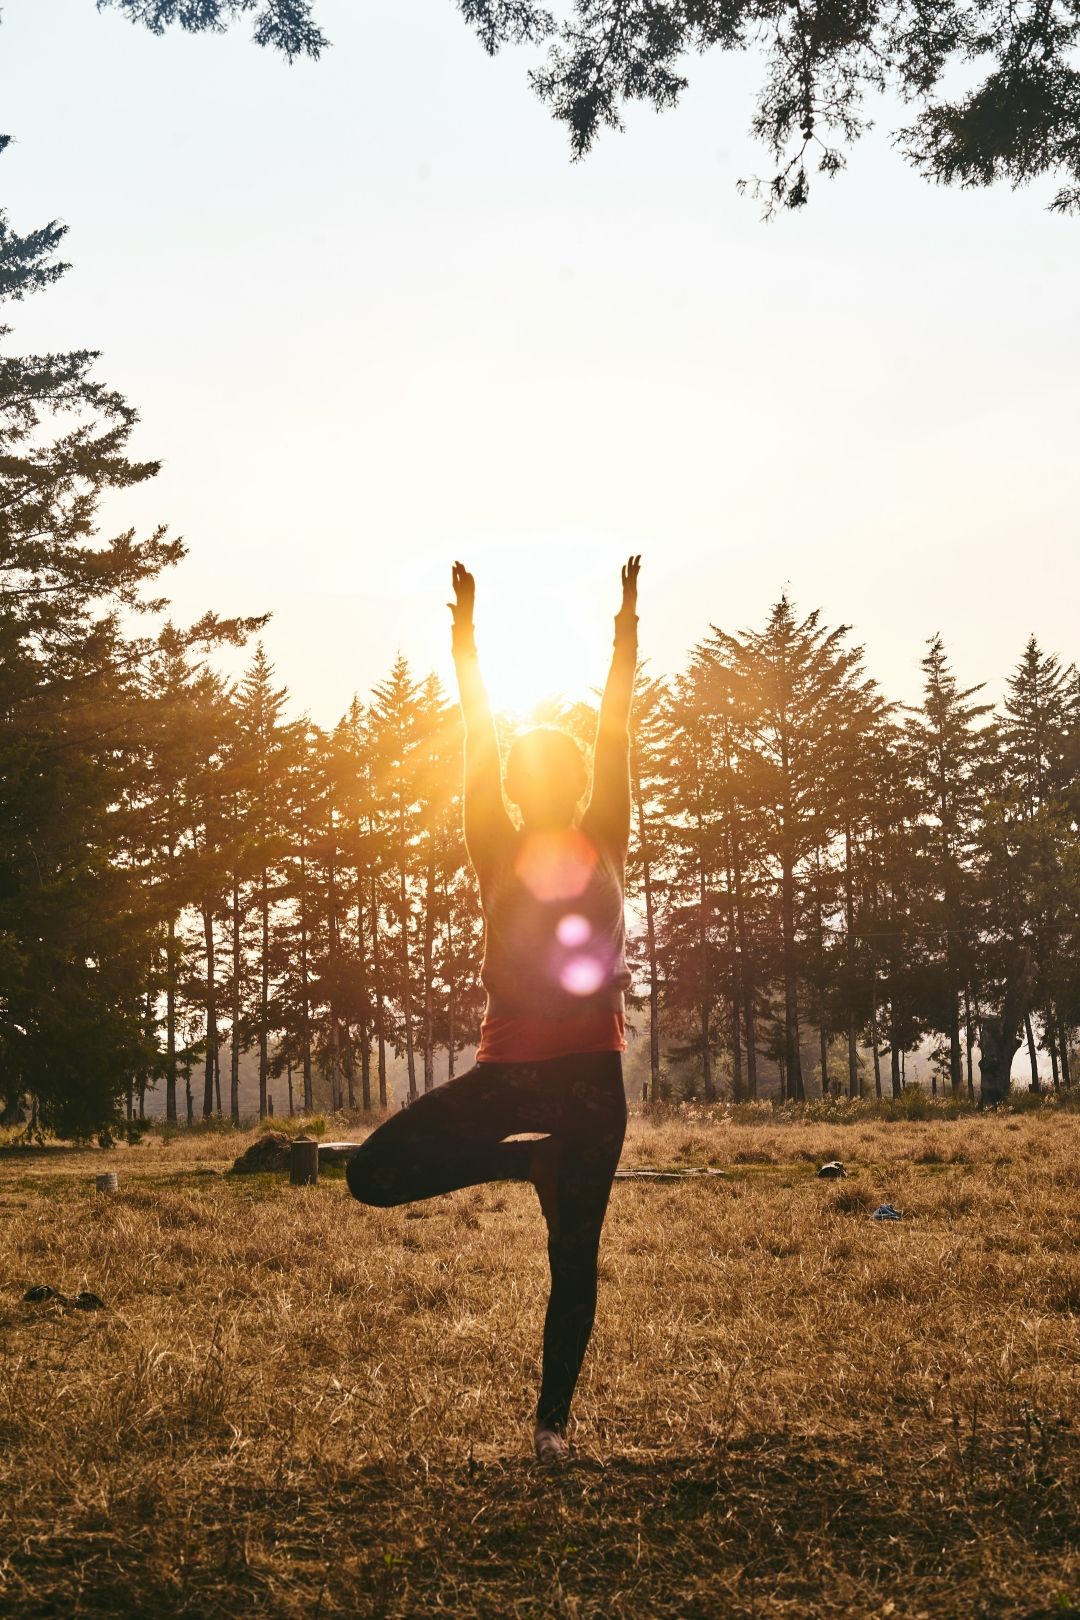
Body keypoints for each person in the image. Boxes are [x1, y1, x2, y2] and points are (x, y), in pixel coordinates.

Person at [347, 555, 641, 1463]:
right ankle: (551, 1429)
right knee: (573, 1263)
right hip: (574, 1085)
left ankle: (552, 1422)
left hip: (527, 1081)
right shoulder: (577, 834)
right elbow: (612, 734)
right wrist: (623, 625)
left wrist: (467, 637)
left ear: (518, 786)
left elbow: (502, 736)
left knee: (374, 1177)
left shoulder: (528, 835)